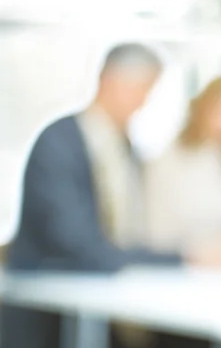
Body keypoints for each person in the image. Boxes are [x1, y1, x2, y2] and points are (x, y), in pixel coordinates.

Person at [1, 43, 186, 348]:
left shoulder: (126, 148)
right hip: (45, 316)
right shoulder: (58, 142)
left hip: (103, 305)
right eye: (141, 89)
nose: (143, 103)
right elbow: (80, 244)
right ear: (110, 80)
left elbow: (126, 232)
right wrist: (178, 258)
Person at [145, 76, 221, 266]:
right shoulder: (169, 162)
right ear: (203, 107)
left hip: (218, 273)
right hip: (175, 270)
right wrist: (205, 253)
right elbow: (157, 237)